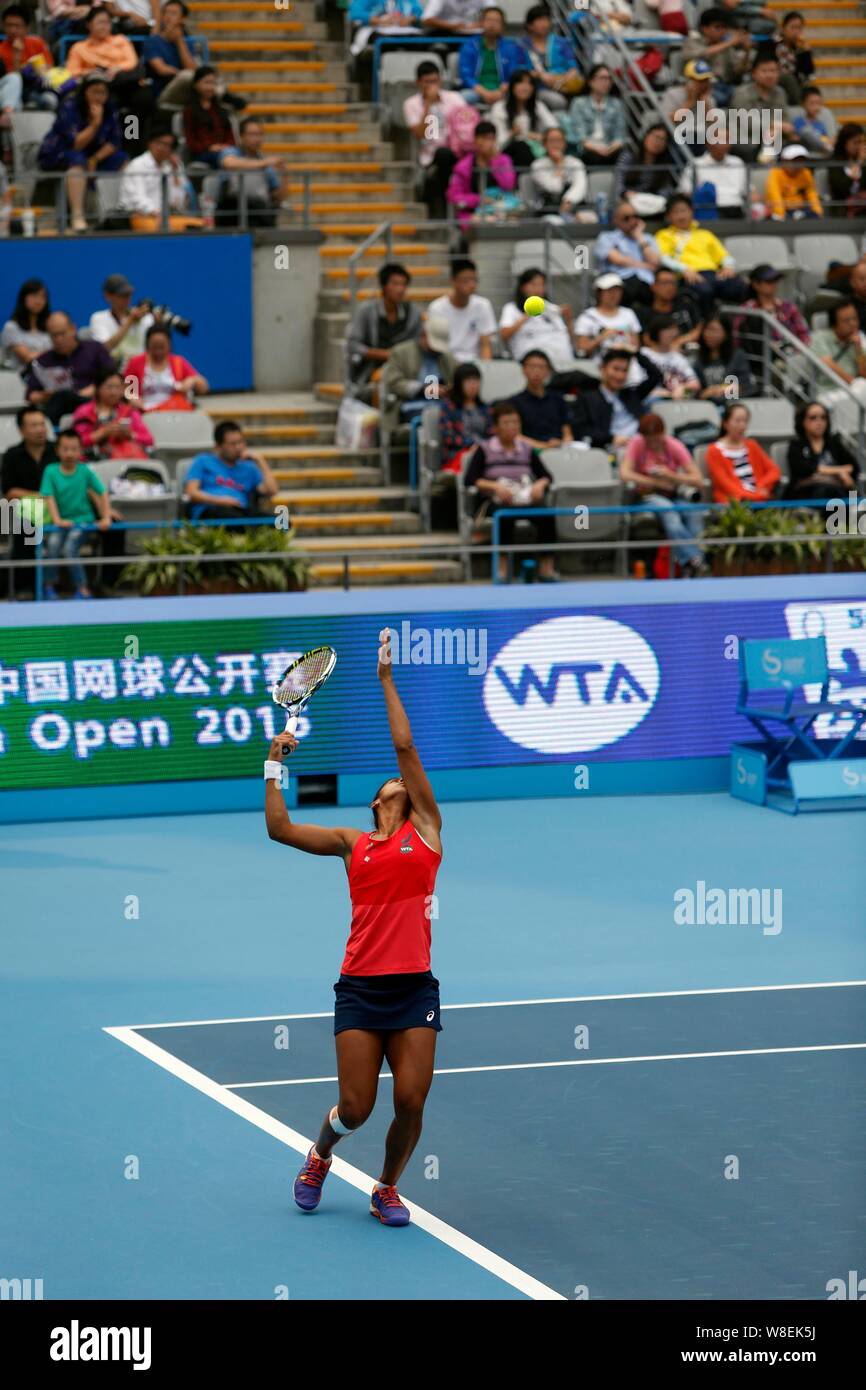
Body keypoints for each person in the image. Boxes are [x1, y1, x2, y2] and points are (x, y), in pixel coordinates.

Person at [267, 630, 444, 1228]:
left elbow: (406, 746)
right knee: (356, 1106)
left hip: (414, 988)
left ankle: (386, 1187)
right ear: (376, 804)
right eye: (390, 786)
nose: (399, 784)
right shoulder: (354, 845)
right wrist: (273, 764)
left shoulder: (428, 834)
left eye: (405, 783)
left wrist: (386, 679)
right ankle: (320, 1155)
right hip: (362, 990)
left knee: (412, 1101)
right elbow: (282, 830)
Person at [462, 400, 556, 581]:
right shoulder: (484, 449)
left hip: (525, 497)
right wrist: (495, 486)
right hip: (496, 500)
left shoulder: (527, 449)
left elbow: (547, 476)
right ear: (496, 427)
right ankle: (502, 569)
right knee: (504, 516)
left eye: (515, 422)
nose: (512, 426)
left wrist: (540, 485)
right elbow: (470, 480)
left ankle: (546, 568)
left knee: (547, 515)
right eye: (507, 423)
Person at [37, 75, 127, 233]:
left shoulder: (110, 109)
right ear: (85, 92)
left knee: (123, 159)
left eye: (103, 93)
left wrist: (95, 159)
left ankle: (120, 212)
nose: (99, 97)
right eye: (94, 92)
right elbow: (76, 144)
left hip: (92, 155)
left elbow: (114, 142)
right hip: (61, 153)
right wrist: (95, 124)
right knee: (78, 161)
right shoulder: (69, 107)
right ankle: (77, 216)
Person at [620, 412, 707, 575]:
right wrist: (654, 482)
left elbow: (698, 479)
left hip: (672, 493)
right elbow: (625, 473)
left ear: (663, 433)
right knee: (667, 510)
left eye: (656, 438)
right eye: (649, 439)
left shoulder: (674, 445)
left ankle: (692, 565)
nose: (653, 443)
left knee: (693, 511)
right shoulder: (637, 444)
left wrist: (670, 475)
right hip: (646, 496)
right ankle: (696, 559)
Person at [40, 428, 113, 600]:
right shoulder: (50, 471)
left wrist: (106, 516)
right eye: (65, 449)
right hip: (61, 522)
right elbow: (48, 496)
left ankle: (82, 588)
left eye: (74, 449)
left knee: (69, 547)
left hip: (83, 522)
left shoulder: (85, 471)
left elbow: (102, 492)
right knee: (53, 545)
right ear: (57, 450)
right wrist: (57, 520)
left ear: (80, 451)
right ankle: (49, 586)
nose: (70, 453)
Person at [1, 405, 57, 598]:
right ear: (21, 430)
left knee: (113, 522)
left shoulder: (58, 451)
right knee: (26, 525)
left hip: (60, 507)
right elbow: (10, 492)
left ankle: (101, 583)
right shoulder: (12, 455)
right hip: (27, 508)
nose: (40, 429)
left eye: (42, 424)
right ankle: (25, 587)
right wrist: (40, 497)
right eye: (34, 425)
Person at [654, 194, 748, 309]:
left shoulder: (705, 234)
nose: (681, 216)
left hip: (712, 274)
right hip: (687, 276)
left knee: (740, 286)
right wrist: (684, 269)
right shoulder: (663, 235)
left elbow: (724, 256)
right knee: (704, 291)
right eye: (676, 212)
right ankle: (705, 325)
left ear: (691, 212)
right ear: (669, 216)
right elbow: (664, 258)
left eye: (684, 211)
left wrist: (728, 266)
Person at [346, 262, 421, 398]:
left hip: (404, 372)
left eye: (404, 285)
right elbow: (353, 345)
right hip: (370, 372)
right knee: (381, 383)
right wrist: (384, 355)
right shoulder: (366, 311)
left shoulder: (413, 313)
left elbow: (417, 343)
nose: (400, 289)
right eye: (395, 284)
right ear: (384, 286)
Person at [402, 60, 465, 220]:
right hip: (431, 156)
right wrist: (428, 105)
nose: (432, 85)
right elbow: (423, 134)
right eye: (427, 82)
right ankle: (445, 212)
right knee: (443, 155)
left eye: (435, 81)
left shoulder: (455, 98)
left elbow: (466, 123)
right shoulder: (411, 104)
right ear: (418, 83)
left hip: (459, 150)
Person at [25, 312, 114, 424]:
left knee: (67, 396)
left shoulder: (95, 349)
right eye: (54, 335)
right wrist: (46, 396)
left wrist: (80, 394)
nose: (58, 339)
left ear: (73, 329)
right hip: (57, 406)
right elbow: (31, 396)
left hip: (92, 403)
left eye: (62, 334)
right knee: (60, 398)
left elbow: (112, 379)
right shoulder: (43, 361)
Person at [571, 347, 664, 450]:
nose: (620, 376)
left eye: (624, 370)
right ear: (603, 368)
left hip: (640, 446)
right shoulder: (587, 398)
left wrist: (635, 353)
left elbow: (656, 376)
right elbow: (582, 429)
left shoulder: (632, 394)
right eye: (615, 369)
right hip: (609, 448)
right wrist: (611, 439)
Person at [183, 419, 277, 520]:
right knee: (231, 517)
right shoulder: (203, 461)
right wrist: (220, 501)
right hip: (211, 510)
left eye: (240, 442)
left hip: (241, 511)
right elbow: (191, 492)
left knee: (281, 522)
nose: (238, 447)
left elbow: (272, 491)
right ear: (218, 446)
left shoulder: (249, 467)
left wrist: (261, 461)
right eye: (232, 444)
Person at [379, 316, 457, 433]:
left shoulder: (446, 357)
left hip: (443, 406)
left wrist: (451, 389)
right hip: (411, 407)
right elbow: (394, 383)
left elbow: (457, 378)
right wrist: (424, 389)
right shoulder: (401, 352)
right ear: (423, 335)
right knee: (430, 423)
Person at [733, 264, 809, 373]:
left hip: (792, 355)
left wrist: (798, 350)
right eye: (769, 281)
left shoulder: (788, 307)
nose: (773, 284)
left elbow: (803, 333)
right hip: (763, 360)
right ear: (755, 284)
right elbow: (737, 339)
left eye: (775, 280)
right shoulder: (747, 309)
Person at [182, 66, 260, 171]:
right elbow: (191, 142)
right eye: (206, 83)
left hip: (226, 151)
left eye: (213, 83)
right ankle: (259, 164)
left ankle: (258, 165)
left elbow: (230, 133)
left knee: (241, 153)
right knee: (232, 158)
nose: (210, 87)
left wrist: (225, 146)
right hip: (204, 154)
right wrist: (209, 147)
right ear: (196, 84)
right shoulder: (190, 111)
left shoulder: (221, 108)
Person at [499, 267, 574, 372]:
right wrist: (526, 315)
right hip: (531, 364)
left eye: (541, 285)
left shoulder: (552, 308)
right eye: (533, 284)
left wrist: (568, 320)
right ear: (523, 287)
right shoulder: (511, 308)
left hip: (561, 365)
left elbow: (566, 336)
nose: (538, 289)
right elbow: (504, 335)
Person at [215, 118, 288, 226]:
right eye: (252, 134)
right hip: (233, 212)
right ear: (241, 136)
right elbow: (230, 164)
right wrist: (263, 163)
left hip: (258, 212)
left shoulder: (266, 164)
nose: (257, 139)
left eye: (260, 134)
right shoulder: (231, 152)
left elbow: (279, 197)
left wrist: (285, 176)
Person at [446, 118, 516, 228]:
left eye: (491, 139)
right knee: (483, 223)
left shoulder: (503, 161)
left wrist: (494, 161)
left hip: (502, 208)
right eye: (484, 138)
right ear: (476, 140)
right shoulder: (463, 166)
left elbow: (508, 185)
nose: (487, 143)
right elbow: (454, 196)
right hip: (472, 213)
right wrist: (479, 199)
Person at [706, 401, 781, 503]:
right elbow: (724, 483)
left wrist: (761, 487)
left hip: (758, 498)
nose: (742, 426)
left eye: (745, 421)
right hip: (734, 502)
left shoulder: (752, 445)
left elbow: (774, 470)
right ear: (725, 424)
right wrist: (753, 496)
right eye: (738, 421)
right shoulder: (714, 450)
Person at [785, 401, 860, 502]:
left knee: (854, 494)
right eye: (813, 418)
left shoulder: (834, 443)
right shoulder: (796, 445)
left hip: (837, 488)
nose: (819, 422)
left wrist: (843, 474)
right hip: (807, 492)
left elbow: (853, 466)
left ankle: (850, 514)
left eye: (823, 417)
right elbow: (804, 469)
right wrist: (839, 471)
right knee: (829, 493)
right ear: (802, 421)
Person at [123, 323, 208, 411]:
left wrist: (192, 380)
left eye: (162, 345)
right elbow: (127, 391)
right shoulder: (136, 362)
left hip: (174, 411)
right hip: (145, 413)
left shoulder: (178, 362)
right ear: (148, 344)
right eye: (155, 345)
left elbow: (203, 388)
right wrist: (133, 399)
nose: (158, 350)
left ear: (169, 344)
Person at [72, 368, 154, 459]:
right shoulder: (84, 412)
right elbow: (74, 443)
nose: (114, 392)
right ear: (98, 388)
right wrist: (102, 433)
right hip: (91, 461)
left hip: (125, 458)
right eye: (109, 387)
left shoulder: (130, 412)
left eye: (118, 387)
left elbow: (149, 440)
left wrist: (129, 434)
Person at [681, 6, 752, 107]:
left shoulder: (727, 46)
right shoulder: (692, 42)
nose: (722, 31)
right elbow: (701, 53)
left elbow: (738, 71)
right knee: (721, 99)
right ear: (704, 28)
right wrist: (729, 43)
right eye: (718, 27)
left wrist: (747, 51)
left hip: (726, 86)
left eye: (724, 27)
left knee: (745, 95)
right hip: (703, 87)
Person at [428, 258, 496, 362]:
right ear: (453, 281)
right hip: (446, 362)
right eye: (466, 280)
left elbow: (485, 345)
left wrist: (486, 369)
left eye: (474, 280)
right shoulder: (437, 308)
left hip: (474, 364)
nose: (472, 285)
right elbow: (436, 345)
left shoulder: (483, 305)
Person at [489, 68, 556, 171]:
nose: (525, 87)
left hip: (535, 150)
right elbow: (495, 144)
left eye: (529, 83)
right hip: (507, 152)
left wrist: (541, 137)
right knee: (521, 146)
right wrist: (512, 134)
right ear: (512, 87)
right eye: (520, 83)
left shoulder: (538, 106)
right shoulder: (499, 108)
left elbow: (555, 130)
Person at [731, 52, 793, 163]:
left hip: (774, 138)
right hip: (746, 139)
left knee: (795, 147)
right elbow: (747, 123)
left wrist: (777, 129)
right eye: (764, 71)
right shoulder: (742, 93)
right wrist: (774, 125)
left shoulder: (780, 93)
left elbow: (786, 122)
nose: (769, 75)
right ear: (754, 74)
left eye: (773, 71)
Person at [594, 201, 660, 302]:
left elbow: (655, 262)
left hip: (647, 284)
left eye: (635, 216)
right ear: (616, 220)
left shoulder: (647, 238)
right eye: (626, 218)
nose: (632, 221)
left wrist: (640, 238)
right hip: (620, 283)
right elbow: (617, 260)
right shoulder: (607, 237)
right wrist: (647, 265)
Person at [457, 5, 523, 106]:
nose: (492, 24)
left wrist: (501, 91)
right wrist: (485, 93)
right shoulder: (469, 46)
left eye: (496, 21)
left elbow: (514, 74)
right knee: (462, 98)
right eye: (488, 20)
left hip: (502, 92)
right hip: (477, 91)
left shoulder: (510, 48)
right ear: (481, 23)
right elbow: (466, 76)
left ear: (503, 26)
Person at [519, 4, 581, 112]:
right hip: (536, 89)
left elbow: (573, 68)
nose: (544, 24)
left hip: (563, 86)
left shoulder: (562, 42)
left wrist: (560, 80)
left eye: (547, 20)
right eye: (540, 20)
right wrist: (539, 75)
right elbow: (519, 71)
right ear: (529, 25)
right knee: (557, 101)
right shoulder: (521, 45)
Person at [509, 350, 574, 449]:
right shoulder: (514, 402)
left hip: (558, 450)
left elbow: (567, 434)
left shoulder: (558, 399)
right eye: (532, 367)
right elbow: (516, 436)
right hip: (529, 452)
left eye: (541, 367)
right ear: (523, 370)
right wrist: (543, 446)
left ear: (548, 371)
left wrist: (562, 443)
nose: (536, 371)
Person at [564, 64, 626, 166]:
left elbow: (620, 135)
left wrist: (612, 147)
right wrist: (597, 148)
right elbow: (580, 136)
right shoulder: (579, 103)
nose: (606, 82)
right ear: (590, 81)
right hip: (587, 149)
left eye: (609, 78)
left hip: (609, 148)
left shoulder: (616, 104)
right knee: (589, 157)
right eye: (602, 78)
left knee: (625, 156)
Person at [575, 273, 641, 366]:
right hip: (599, 366)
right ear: (599, 293)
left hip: (628, 366)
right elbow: (582, 348)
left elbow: (636, 345)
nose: (614, 294)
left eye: (617, 290)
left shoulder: (629, 314)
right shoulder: (587, 316)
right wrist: (601, 338)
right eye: (609, 291)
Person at [89, 272, 155, 364]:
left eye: (129, 294)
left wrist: (158, 323)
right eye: (122, 295)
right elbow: (104, 349)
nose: (127, 298)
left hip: (141, 371)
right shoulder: (98, 318)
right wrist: (129, 322)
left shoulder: (146, 318)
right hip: (113, 371)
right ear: (108, 296)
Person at [678, 134, 749, 218]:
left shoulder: (737, 162)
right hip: (707, 210)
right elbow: (686, 191)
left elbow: (747, 190)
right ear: (708, 143)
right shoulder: (695, 164)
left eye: (727, 140)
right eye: (719, 141)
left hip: (736, 209)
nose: (723, 144)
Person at [0, 4, 52, 117]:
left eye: (17, 26)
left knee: (50, 100)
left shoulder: (37, 43)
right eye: (9, 25)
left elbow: (49, 69)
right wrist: (17, 56)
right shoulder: (1, 49)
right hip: (14, 92)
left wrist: (35, 70)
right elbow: (13, 81)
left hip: (35, 88)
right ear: (3, 27)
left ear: (27, 28)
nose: (13, 30)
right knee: (17, 95)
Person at [614, 123, 678, 213]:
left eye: (662, 140)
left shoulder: (665, 164)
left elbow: (666, 189)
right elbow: (618, 184)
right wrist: (625, 193)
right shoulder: (628, 157)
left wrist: (654, 198)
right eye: (655, 137)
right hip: (629, 201)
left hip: (652, 204)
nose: (658, 142)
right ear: (646, 136)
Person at [143, 0, 199, 103]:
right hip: (163, 89)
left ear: (183, 19)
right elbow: (162, 69)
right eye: (166, 12)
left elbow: (192, 68)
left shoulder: (187, 41)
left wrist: (179, 42)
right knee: (190, 78)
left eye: (173, 13)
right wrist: (182, 75)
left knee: (207, 79)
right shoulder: (153, 41)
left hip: (186, 88)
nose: (168, 17)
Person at [439, 361, 491, 467]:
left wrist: (483, 447)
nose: (473, 385)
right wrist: (472, 445)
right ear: (459, 384)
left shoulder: (485, 408)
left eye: (476, 381)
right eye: (468, 381)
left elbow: (492, 433)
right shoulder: (449, 407)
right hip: (458, 454)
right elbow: (448, 437)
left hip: (484, 452)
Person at [636, 267, 703, 348]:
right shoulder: (645, 312)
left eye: (673, 283)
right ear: (654, 286)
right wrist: (668, 349)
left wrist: (680, 341)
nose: (670, 287)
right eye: (665, 283)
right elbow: (646, 338)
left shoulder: (685, 304)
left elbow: (699, 327)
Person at [529, 125, 587, 217]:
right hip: (549, 208)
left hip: (573, 205)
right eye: (552, 141)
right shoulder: (537, 165)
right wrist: (560, 165)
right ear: (544, 144)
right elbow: (555, 188)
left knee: (588, 219)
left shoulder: (575, 162)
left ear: (565, 143)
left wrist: (569, 200)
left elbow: (580, 185)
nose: (556, 144)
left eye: (559, 140)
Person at [695, 315, 755, 402]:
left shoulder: (737, 355)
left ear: (726, 334)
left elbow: (746, 386)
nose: (710, 334)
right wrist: (704, 393)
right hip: (707, 406)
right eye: (707, 330)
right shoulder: (698, 358)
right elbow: (696, 391)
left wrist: (722, 389)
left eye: (715, 331)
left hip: (732, 404)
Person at [639, 316, 701, 398]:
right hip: (649, 399)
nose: (672, 333)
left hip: (675, 400)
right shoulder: (643, 353)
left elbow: (696, 385)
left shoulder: (678, 358)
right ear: (656, 331)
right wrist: (657, 393)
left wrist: (683, 389)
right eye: (667, 329)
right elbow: (635, 383)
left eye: (673, 329)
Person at [811, 300, 866, 389]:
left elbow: (864, 375)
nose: (853, 324)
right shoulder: (819, 338)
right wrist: (855, 383)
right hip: (829, 391)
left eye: (855, 318)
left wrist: (858, 350)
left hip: (854, 391)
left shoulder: (857, 340)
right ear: (834, 324)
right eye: (846, 321)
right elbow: (827, 364)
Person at [1, 278, 51, 373]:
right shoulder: (11, 327)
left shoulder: (49, 327)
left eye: (42, 297)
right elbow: (28, 358)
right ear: (23, 298)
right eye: (34, 296)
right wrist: (54, 354)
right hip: (18, 378)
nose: (38, 301)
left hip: (48, 376)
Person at [765, 144, 822, 220]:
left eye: (801, 160)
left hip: (802, 211)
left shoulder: (805, 173)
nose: (798, 164)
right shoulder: (775, 173)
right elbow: (774, 195)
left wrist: (817, 212)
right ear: (784, 160)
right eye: (794, 161)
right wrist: (781, 215)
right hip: (783, 211)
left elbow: (811, 193)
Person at [775, 9, 813, 104]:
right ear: (783, 28)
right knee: (789, 79)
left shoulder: (801, 49)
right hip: (776, 84)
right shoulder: (774, 45)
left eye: (799, 28)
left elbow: (808, 74)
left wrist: (806, 54)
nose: (796, 32)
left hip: (795, 88)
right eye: (792, 27)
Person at [827, 124, 866, 218]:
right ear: (844, 142)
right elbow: (842, 189)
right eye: (855, 142)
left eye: (861, 142)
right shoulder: (835, 163)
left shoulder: (864, 162)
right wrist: (858, 163)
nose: (859, 146)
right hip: (843, 209)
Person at [792, 85, 837, 157]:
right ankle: (829, 149)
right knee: (806, 131)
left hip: (820, 150)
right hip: (805, 151)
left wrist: (829, 141)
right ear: (803, 104)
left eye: (818, 103)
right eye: (812, 103)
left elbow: (824, 138)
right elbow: (798, 137)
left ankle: (829, 149)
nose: (816, 107)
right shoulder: (798, 121)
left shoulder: (820, 124)